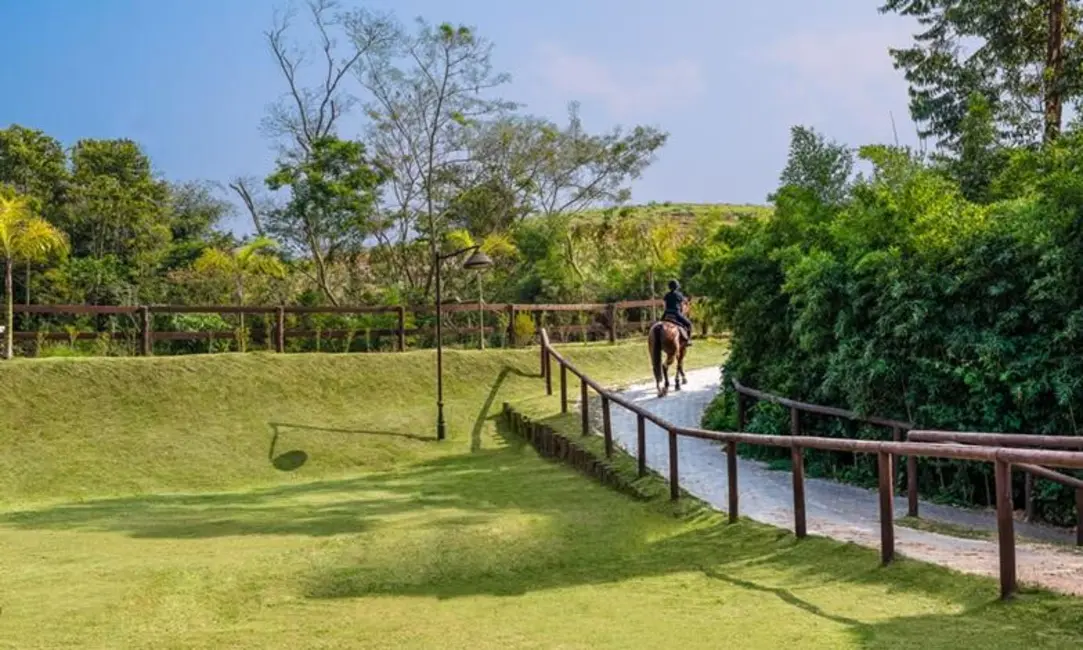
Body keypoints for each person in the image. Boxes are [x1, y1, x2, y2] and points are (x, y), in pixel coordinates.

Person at [662, 279, 693, 346]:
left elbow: (664, 306)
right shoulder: (679, 295)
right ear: (677, 287)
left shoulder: (666, 295)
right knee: (689, 324)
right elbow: (682, 306)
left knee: (658, 324)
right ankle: (688, 340)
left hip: (667, 313)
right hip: (676, 313)